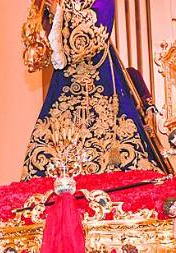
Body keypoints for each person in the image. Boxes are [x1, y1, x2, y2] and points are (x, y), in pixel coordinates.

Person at [21, 0, 167, 179]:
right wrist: (45, 15)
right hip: (66, 78)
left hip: (100, 73)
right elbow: (46, 36)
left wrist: (60, 13)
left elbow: (97, 28)